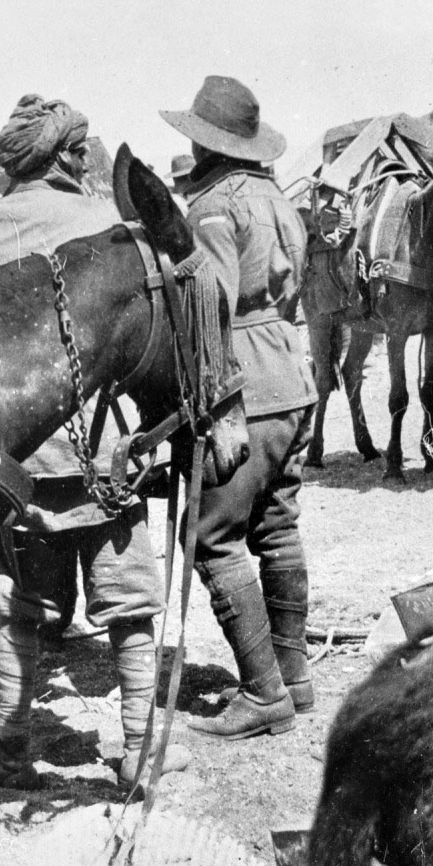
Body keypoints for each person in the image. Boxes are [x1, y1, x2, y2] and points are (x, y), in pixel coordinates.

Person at [0, 94, 192, 790]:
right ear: (67, 158)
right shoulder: (104, 223)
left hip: (13, 454)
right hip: (102, 448)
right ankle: (140, 753)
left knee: (18, 604)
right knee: (130, 605)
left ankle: (10, 750)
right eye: (82, 153)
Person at [161, 76, 317, 741]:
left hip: (243, 386)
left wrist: (209, 404)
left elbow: (209, 308)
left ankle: (262, 693)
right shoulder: (278, 199)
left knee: (212, 535)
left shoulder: (211, 207)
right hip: (294, 379)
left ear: (205, 142)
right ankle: (295, 677)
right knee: (278, 527)